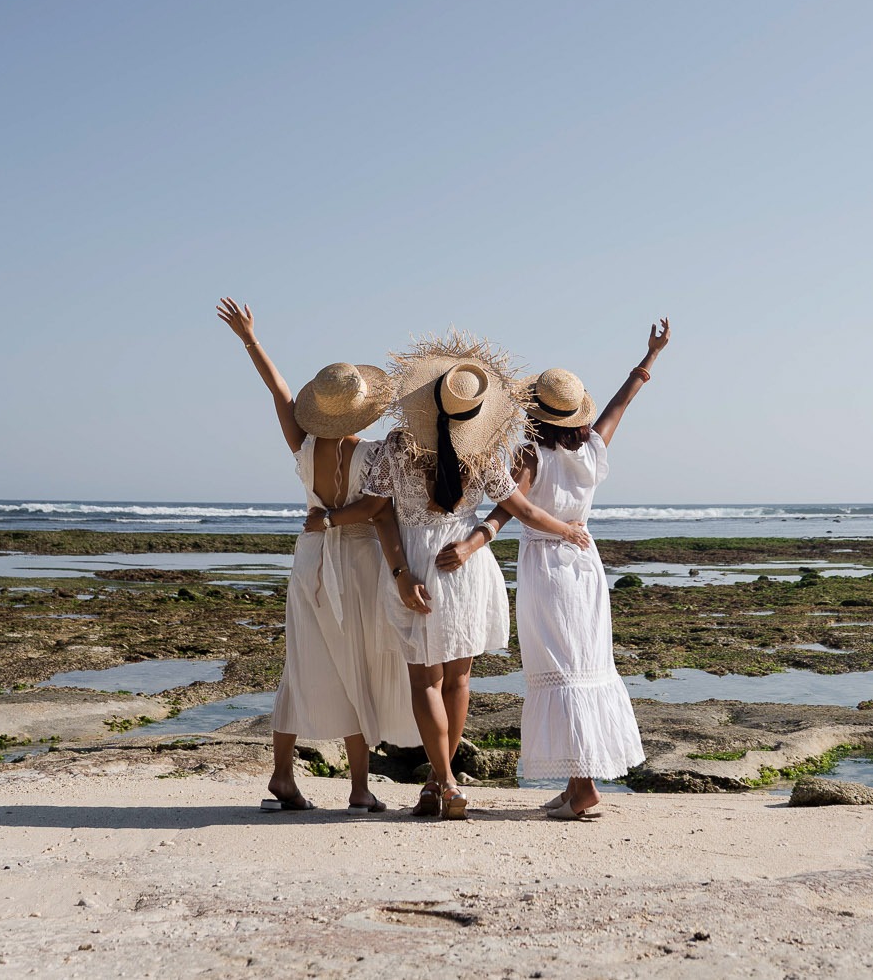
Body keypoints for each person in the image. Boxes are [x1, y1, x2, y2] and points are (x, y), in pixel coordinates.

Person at [438, 318, 669, 819]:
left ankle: (582, 788)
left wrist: (474, 544)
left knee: (562, 670)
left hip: (548, 565)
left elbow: (508, 508)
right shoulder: (591, 448)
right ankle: (574, 784)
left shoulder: (530, 453)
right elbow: (619, 405)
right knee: (583, 665)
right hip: (585, 566)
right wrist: (650, 357)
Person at [215, 298, 415, 813]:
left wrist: (250, 340)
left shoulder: (303, 446)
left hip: (310, 559)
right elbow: (377, 509)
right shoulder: (372, 453)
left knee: (301, 665)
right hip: (357, 561)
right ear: (362, 407)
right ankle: (358, 788)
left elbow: (277, 392)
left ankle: (283, 775)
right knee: (357, 668)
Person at [364, 332, 554, 820]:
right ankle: (440, 782)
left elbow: (380, 516)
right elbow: (521, 509)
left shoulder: (396, 446)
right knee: (457, 680)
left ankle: (442, 781)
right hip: (464, 565)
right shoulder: (486, 451)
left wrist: (402, 574)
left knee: (425, 679)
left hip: (417, 560)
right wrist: (566, 530)